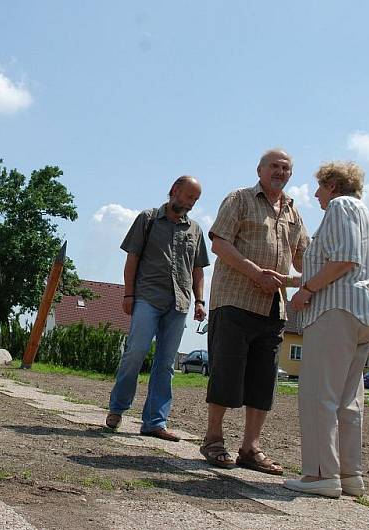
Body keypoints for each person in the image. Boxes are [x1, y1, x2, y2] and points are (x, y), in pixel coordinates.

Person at [201, 148, 309, 474]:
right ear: (260, 170)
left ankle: (250, 448)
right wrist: (254, 273)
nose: (280, 172)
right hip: (234, 300)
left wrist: (314, 280)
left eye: (286, 168)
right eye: (274, 166)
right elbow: (219, 243)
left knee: (263, 381)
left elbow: (304, 257)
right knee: (226, 372)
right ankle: (213, 439)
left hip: (274, 308)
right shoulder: (240, 198)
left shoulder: (293, 211)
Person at [284, 161, 369, 498]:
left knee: (318, 395)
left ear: (334, 185)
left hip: (334, 311)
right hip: (363, 313)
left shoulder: (341, 206)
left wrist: (306, 291)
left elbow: (343, 261)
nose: (316, 194)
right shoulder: (364, 214)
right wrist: (294, 280)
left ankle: (321, 474)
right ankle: (348, 474)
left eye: (320, 187)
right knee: (348, 400)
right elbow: (346, 264)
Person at [105, 175, 210, 441]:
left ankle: (155, 421)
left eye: (195, 200)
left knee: (165, 364)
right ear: (174, 191)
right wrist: (128, 294)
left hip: (180, 302)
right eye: (188, 197)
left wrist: (199, 300)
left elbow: (198, 270)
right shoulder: (148, 219)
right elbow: (132, 259)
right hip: (147, 297)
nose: (190, 203)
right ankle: (117, 408)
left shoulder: (195, 230)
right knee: (136, 352)